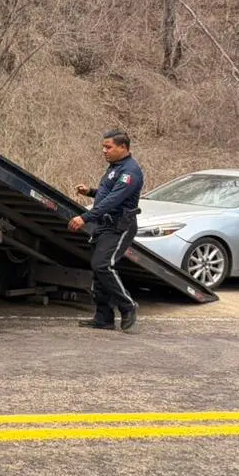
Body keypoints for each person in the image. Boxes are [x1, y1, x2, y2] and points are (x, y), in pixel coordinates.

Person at [69, 129, 143, 332]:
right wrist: (91, 192)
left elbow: (114, 200)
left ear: (123, 147)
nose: (104, 151)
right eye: (103, 147)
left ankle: (128, 306)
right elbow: (107, 193)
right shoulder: (115, 167)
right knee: (98, 268)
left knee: (103, 265)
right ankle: (104, 318)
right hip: (106, 224)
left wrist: (85, 217)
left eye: (108, 147)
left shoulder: (130, 171)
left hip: (120, 226)